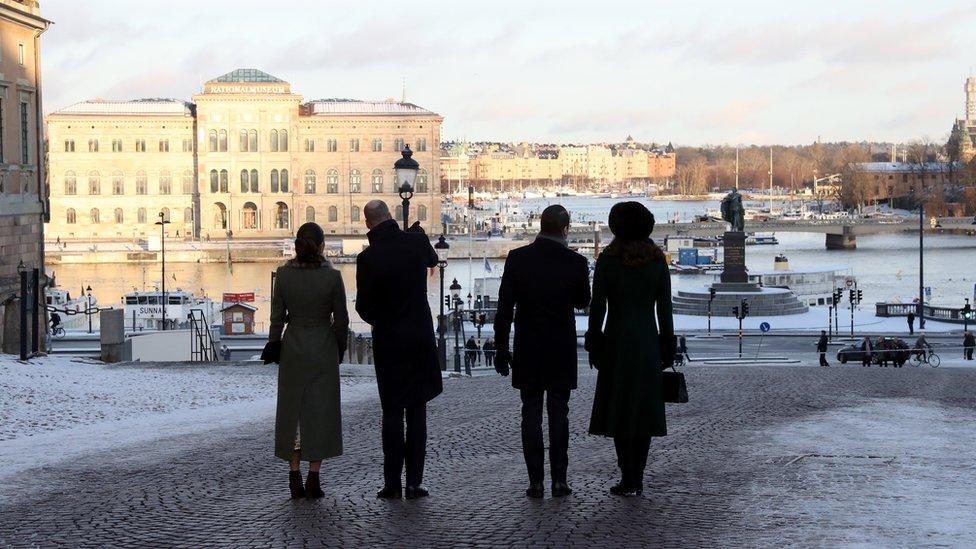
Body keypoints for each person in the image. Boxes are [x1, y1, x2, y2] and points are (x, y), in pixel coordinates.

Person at [494, 204, 591, 498]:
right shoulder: (575, 262)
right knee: (559, 414)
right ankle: (559, 480)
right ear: (565, 228)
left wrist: (501, 347)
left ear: (540, 225)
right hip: (560, 347)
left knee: (530, 413)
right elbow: (582, 301)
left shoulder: (518, 258)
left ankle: (535, 481)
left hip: (528, 345)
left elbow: (504, 308)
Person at [585, 202, 674, 497]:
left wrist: (594, 341)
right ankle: (638, 476)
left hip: (616, 340)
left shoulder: (608, 261)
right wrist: (667, 344)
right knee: (643, 411)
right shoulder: (657, 262)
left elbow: (597, 308)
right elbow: (665, 310)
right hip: (648, 340)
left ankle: (627, 475)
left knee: (620, 410)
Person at [356, 200, 441, 500]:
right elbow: (432, 260)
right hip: (418, 337)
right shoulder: (416, 241)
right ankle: (415, 482)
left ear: (368, 224)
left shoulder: (367, 258)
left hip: (389, 342)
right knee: (417, 412)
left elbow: (363, 308)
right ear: (390, 216)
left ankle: (391, 483)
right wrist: (419, 236)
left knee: (392, 413)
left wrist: (383, 320)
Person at [268, 222, 349, 500]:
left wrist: (274, 344)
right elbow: (341, 320)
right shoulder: (333, 277)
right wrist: (339, 348)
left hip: (293, 347)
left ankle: (294, 476)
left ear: (296, 246)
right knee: (321, 411)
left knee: (293, 410)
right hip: (323, 347)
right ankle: (314, 478)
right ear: (322, 245)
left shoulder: (283, 275)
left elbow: (277, 316)